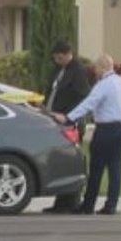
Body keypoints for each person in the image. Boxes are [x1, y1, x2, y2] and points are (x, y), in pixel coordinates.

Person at [54, 54, 121, 215]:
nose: (94, 72)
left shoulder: (103, 85)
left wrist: (68, 118)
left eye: (96, 68)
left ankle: (88, 205)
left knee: (96, 167)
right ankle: (111, 204)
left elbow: (88, 104)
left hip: (106, 129)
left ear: (102, 68)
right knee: (115, 167)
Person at [41, 40, 91, 213]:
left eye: (59, 57)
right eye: (55, 58)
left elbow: (82, 97)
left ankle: (72, 200)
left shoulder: (77, 72)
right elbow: (51, 91)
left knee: (71, 160)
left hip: (70, 122)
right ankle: (60, 202)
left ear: (67, 54)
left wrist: (69, 116)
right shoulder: (58, 71)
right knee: (60, 160)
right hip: (54, 119)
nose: (57, 60)